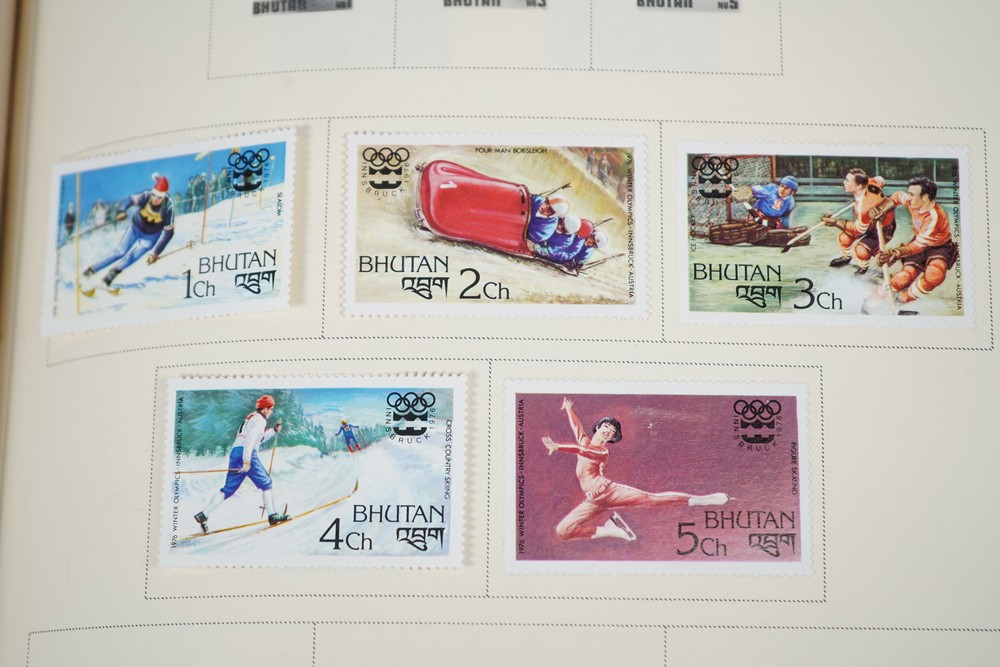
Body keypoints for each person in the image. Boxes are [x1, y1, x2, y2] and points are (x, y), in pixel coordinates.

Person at [542, 398, 729, 542]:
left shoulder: (601, 452)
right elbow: (577, 428)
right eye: (606, 426)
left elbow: (582, 451)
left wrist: (558, 447)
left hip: (610, 492)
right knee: (563, 531)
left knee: (652, 499)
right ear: (598, 427)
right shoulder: (585, 441)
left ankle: (701, 500)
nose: (608, 430)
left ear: (612, 438)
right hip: (593, 500)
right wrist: (569, 409)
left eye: (612, 431)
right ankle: (610, 530)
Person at [194, 395, 290, 533]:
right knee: (266, 482)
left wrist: (273, 431)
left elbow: (258, 439)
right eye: (270, 409)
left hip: (235, 453)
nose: (271, 412)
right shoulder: (260, 420)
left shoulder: (251, 418)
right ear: (265, 408)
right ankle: (272, 516)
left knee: (228, 489)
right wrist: (246, 461)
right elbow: (250, 440)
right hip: (246, 453)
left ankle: (204, 514)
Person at [874, 176, 958, 306]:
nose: (909, 197)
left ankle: (902, 300)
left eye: (912, 195)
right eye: (909, 194)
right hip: (919, 242)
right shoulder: (912, 201)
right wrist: (881, 209)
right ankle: (874, 299)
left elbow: (917, 246)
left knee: (935, 275)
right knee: (904, 277)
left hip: (939, 247)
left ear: (925, 197)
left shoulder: (935, 217)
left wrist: (894, 253)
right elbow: (897, 197)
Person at [82, 174, 175, 287]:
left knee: (133, 256)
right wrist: (121, 211)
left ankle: (114, 272)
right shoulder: (146, 195)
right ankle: (92, 269)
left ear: (164, 196)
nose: (155, 199)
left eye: (159, 197)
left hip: (151, 236)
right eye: (154, 195)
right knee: (120, 252)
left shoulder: (168, 206)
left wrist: (156, 253)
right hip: (136, 228)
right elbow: (129, 200)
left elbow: (168, 233)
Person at [822, 169, 895, 275]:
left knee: (861, 250)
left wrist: (836, 222)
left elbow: (857, 230)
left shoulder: (864, 208)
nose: (844, 182)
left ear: (859, 186)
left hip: (883, 228)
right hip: (868, 222)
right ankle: (846, 258)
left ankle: (863, 269)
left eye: (847, 181)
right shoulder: (869, 182)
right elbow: (879, 180)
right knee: (844, 238)